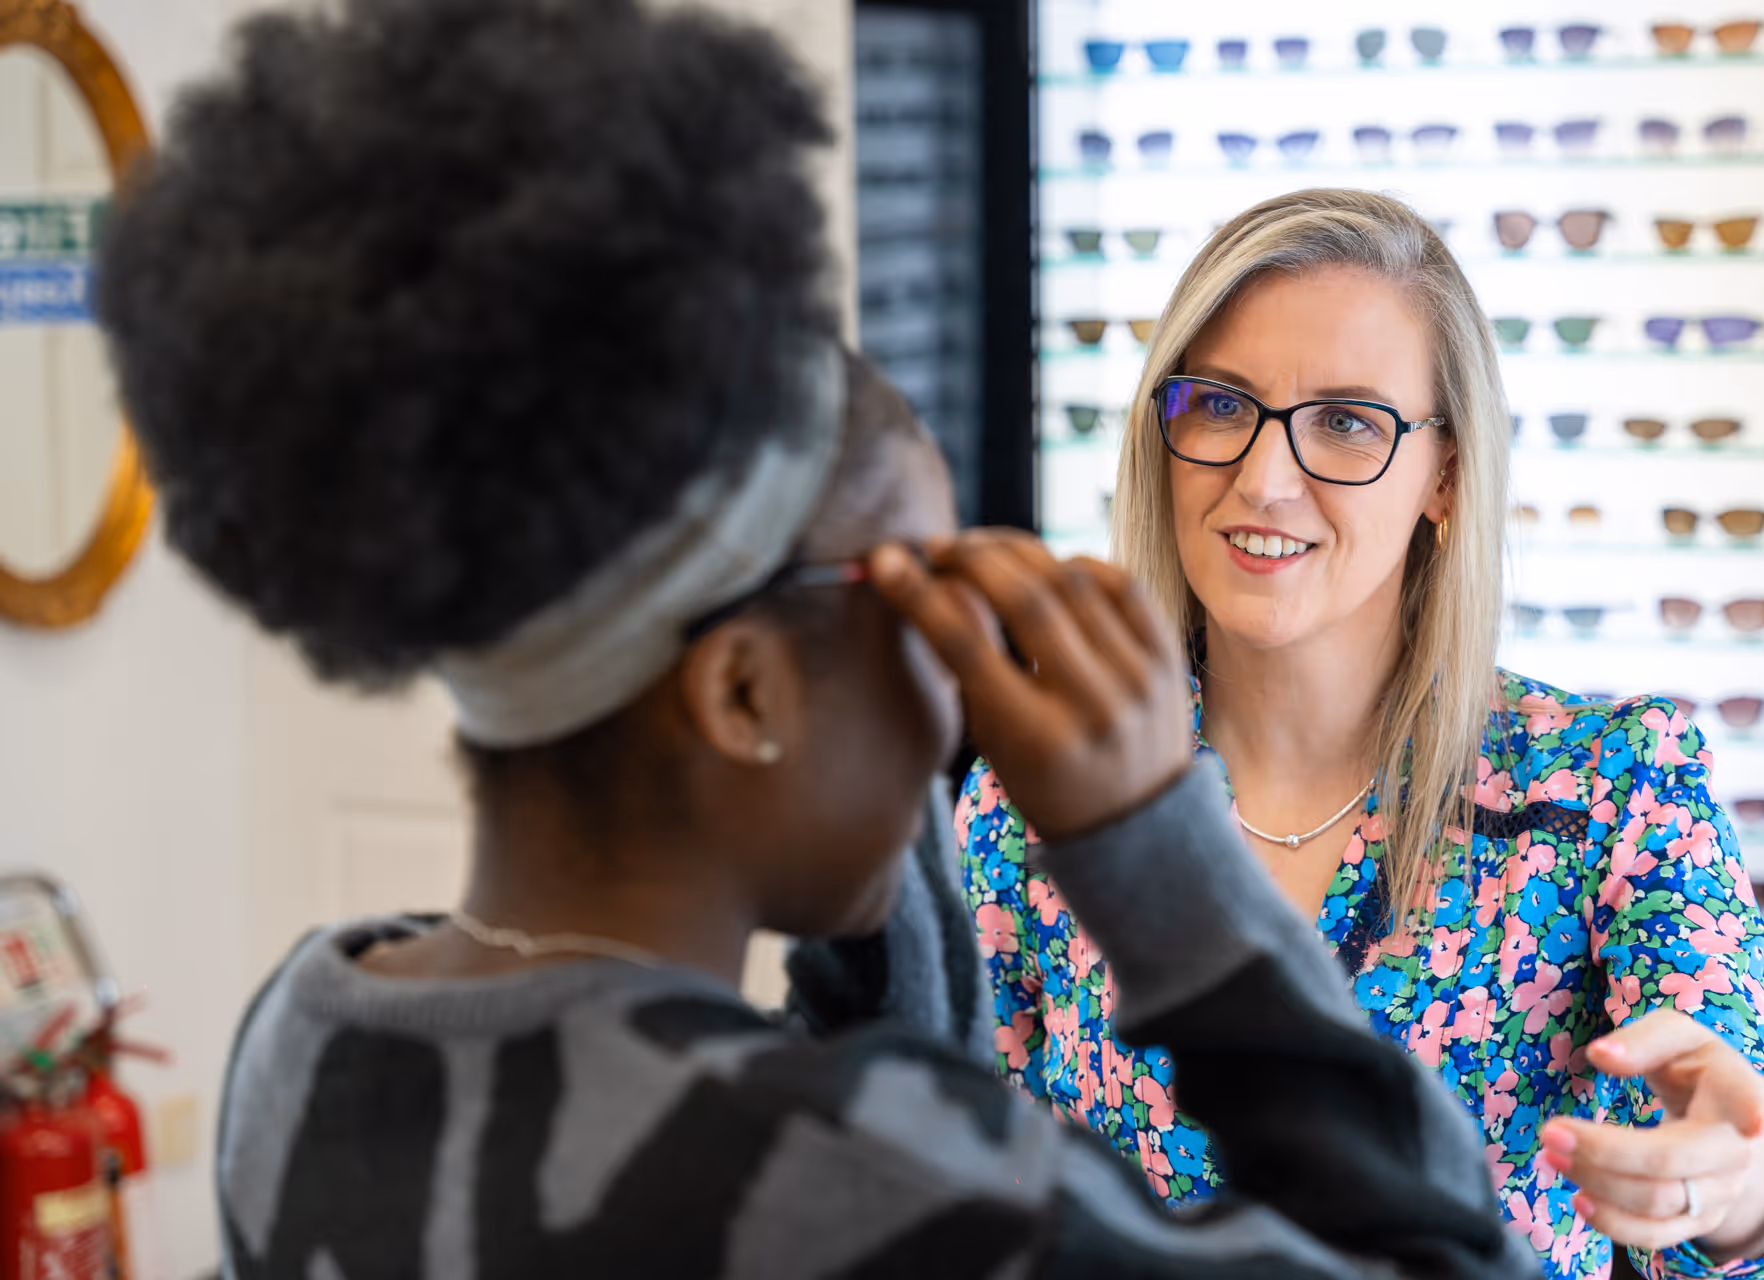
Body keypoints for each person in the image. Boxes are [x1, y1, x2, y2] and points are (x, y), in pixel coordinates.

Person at [97, 3, 1543, 1275]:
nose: (957, 675)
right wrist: (1159, 849)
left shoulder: (311, 1031)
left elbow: (882, 1079)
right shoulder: (880, 1187)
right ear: (742, 688)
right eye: (915, 599)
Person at [958, 189, 1764, 1279]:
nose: (1262, 475)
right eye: (1220, 404)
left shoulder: (1605, 790)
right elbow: (962, 1181)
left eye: (1346, 421)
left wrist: (1747, 1187)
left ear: (1445, 474)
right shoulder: (1041, 789)